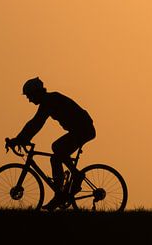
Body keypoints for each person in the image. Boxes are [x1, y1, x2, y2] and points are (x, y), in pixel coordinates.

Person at [7, 77, 96, 210]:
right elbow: (35, 123)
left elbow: (36, 122)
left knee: (56, 152)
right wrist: (21, 138)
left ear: (37, 93)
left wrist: (20, 139)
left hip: (84, 129)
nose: (29, 100)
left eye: (30, 96)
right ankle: (65, 187)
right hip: (81, 129)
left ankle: (67, 186)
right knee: (57, 151)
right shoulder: (48, 101)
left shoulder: (50, 101)